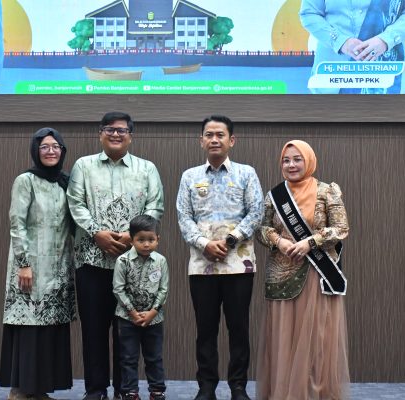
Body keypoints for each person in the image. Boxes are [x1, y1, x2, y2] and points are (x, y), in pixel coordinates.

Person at [67, 111, 165, 400]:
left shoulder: (147, 168)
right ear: (100, 134)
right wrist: (97, 232)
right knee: (94, 330)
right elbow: (75, 203)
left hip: (133, 265)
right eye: (109, 129)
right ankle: (96, 389)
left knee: (127, 333)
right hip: (91, 260)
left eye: (121, 130)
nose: (115, 134)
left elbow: (155, 206)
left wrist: (129, 237)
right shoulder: (83, 166)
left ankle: (126, 389)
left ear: (130, 136)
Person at [176, 115, 264, 400]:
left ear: (231, 140)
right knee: (205, 329)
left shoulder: (246, 173)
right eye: (209, 135)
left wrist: (229, 240)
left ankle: (238, 387)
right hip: (202, 264)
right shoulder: (190, 176)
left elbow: (257, 212)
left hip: (238, 263)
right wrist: (204, 243)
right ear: (201, 140)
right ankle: (206, 387)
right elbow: (183, 217)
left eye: (220, 135)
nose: (214, 139)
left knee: (238, 328)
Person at [256, 140, 350, 400]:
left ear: (308, 160)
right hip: (281, 275)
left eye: (297, 159)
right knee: (284, 338)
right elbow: (262, 229)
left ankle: (314, 393)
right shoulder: (275, 196)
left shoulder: (326, 191)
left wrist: (311, 242)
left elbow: (341, 228)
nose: (291, 165)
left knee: (316, 339)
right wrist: (279, 241)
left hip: (316, 274)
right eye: (286, 160)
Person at [0, 128, 76, 400]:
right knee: (29, 327)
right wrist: (23, 263)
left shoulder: (66, 183)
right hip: (30, 268)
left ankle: (39, 389)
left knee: (50, 328)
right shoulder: (26, 180)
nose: (51, 151)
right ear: (35, 150)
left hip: (59, 267)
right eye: (45, 146)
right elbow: (17, 223)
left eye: (56, 146)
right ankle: (20, 390)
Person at [299, 0, 405, 94]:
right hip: (334, 73)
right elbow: (309, 13)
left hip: (387, 73)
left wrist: (386, 40)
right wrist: (340, 41)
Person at [113, 215, 169, 400]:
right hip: (127, 319)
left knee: (154, 357)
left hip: (154, 319)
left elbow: (163, 289)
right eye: (141, 239)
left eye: (151, 239)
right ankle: (130, 392)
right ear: (131, 239)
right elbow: (118, 289)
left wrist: (153, 312)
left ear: (158, 239)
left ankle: (157, 391)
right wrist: (132, 312)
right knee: (128, 358)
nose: (146, 244)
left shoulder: (161, 261)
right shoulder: (123, 261)